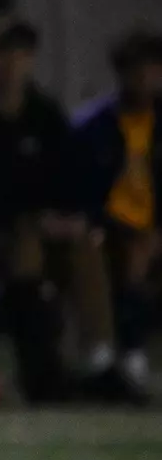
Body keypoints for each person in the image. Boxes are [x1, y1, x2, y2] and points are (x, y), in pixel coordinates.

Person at [0, 14, 81, 404]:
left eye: (21, 55)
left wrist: (57, 217)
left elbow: (64, 180)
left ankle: (75, 367)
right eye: (3, 54)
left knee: (50, 251)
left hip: (29, 229)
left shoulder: (45, 116)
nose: (11, 64)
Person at [68, 26, 162, 405]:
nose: (145, 79)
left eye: (152, 69)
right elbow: (78, 194)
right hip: (110, 229)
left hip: (153, 228)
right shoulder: (93, 127)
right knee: (131, 255)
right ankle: (129, 357)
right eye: (136, 70)